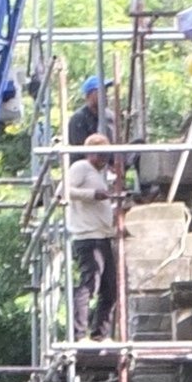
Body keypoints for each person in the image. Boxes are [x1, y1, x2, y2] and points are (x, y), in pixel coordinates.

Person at [65, 131, 125, 339]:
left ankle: (99, 334)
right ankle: (78, 334)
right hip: (88, 237)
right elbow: (63, 191)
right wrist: (92, 195)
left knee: (110, 289)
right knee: (90, 285)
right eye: (99, 155)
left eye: (105, 156)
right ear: (90, 154)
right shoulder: (81, 168)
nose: (102, 160)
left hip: (102, 236)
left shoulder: (98, 174)